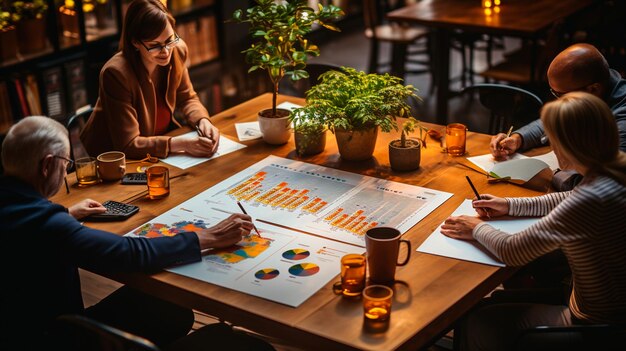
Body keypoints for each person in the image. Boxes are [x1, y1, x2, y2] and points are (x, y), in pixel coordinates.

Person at [0, 116, 274, 350]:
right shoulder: (48, 226)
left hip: (21, 330)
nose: (65, 172)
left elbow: (27, 229)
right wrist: (209, 236)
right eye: (66, 164)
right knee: (246, 346)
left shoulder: (21, 209)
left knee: (169, 307)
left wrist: (66, 214)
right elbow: (130, 253)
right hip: (59, 340)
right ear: (47, 165)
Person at [441, 92, 626, 350]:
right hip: (600, 301)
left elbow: (513, 251)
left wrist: (476, 228)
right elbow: (565, 198)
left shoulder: (589, 200)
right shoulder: (614, 170)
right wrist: (508, 205)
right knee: (485, 304)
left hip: (599, 325)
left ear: (567, 145)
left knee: (479, 321)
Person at [80, 0, 220, 160]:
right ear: (135, 42)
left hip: (159, 147)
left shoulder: (177, 50)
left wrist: (202, 121)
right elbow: (128, 144)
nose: (166, 51)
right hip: (114, 161)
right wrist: (182, 144)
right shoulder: (115, 74)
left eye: (170, 39)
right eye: (155, 45)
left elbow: (187, 98)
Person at [490, 43, 626, 159]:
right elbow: (552, 121)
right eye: (553, 92)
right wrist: (517, 139)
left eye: (561, 94)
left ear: (593, 89)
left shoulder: (622, 119)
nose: (557, 100)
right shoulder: (594, 87)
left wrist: (551, 176)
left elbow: (608, 179)